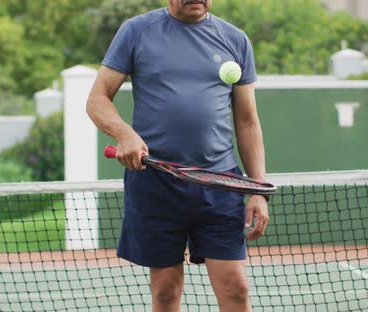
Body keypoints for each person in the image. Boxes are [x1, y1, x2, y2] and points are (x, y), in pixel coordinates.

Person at [86, 1, 268, 311]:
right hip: (156, 185)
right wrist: (124, 133)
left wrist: (257, 191)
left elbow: (248, 122)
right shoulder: (136, 32)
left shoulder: (235, 40)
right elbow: (96, 99)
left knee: (236, 288)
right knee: (166, 291)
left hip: (221, 184)